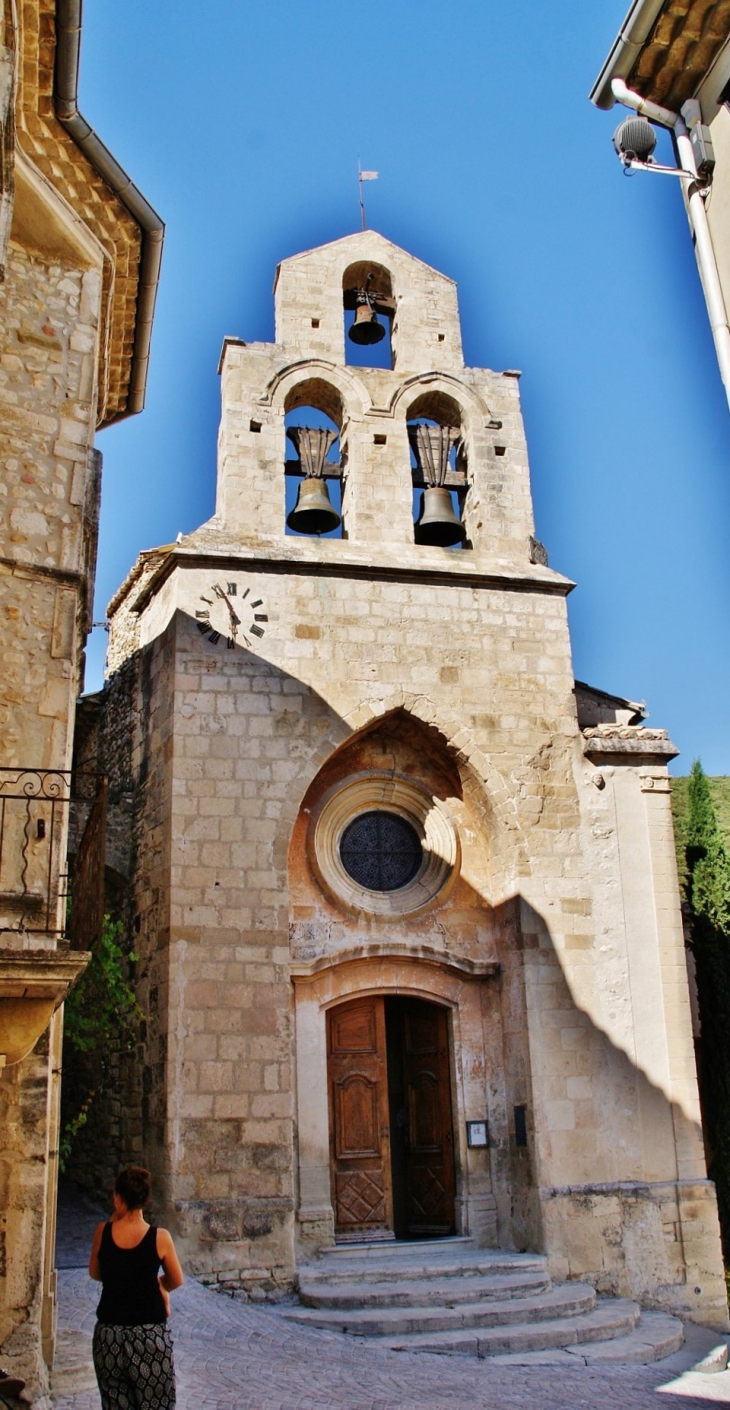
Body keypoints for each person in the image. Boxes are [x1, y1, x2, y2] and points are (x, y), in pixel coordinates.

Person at [89, 1166, 184, 1410]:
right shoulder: (160, 1237)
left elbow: (95, 1272)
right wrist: (159, 1285)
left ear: (118, 1197)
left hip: (109, 1335)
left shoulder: (103, 1232)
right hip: (149, 1335)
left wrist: (114, 1220)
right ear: (144, 1200)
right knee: (156, 1404)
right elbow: (176, 1279)